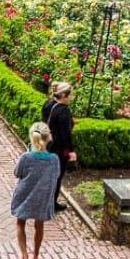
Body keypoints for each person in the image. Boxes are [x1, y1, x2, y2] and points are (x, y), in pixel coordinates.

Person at [10, 122, 60, 259]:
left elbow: (17, 173)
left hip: (24, 194)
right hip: (42, 197)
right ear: (48, 137)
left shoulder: (26, 157)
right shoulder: (54, 159)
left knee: (21, 223)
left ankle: (24, 256)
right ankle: (36, 254)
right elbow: (56, 175)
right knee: (39, 225)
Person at [42, 82, 77, 212]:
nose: (71, 97)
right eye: (70, 95)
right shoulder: (63, 111)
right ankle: (52, 203)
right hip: (57, 148)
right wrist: (71, 151)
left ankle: (43, 198)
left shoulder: (48, 104)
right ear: (64, 95)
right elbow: (65, 135)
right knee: (57, 175)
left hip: (46, 144)